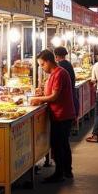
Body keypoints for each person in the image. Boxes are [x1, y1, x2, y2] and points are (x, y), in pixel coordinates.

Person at [30, 49, 76, 182]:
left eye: (42, 64)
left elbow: (55, 96)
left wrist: (40, 99)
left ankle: (60, 173)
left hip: (62, 114)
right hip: (59, 114)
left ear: (49, 61)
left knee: (59, 144)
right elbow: (51, 93)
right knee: (61, 144)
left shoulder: (60, 73)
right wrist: (42, 94)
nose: (42, 67)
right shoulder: (53, 74)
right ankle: (66, 171)